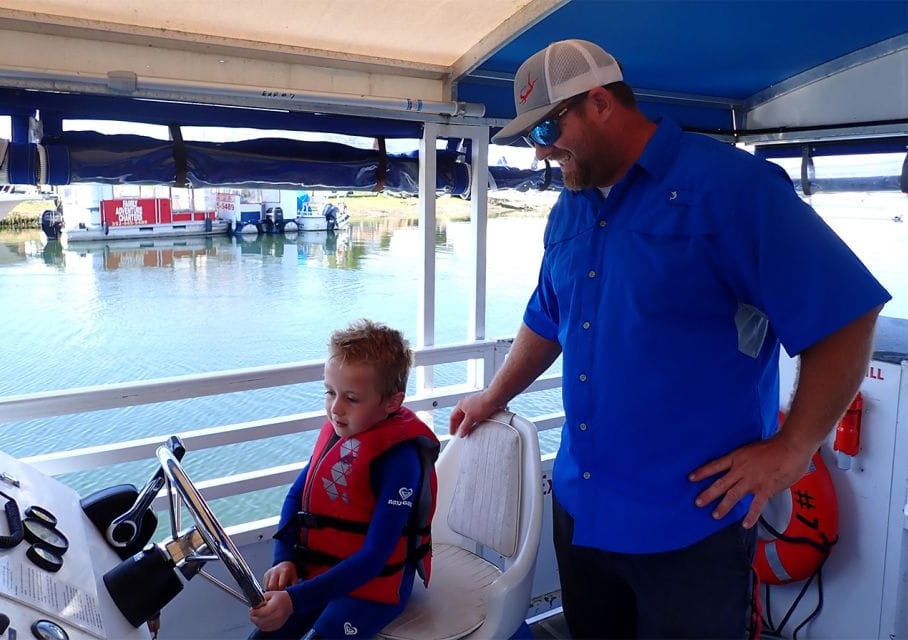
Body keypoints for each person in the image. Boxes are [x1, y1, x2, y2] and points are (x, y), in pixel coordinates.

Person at [450, 39, 890, 638]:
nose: (543, 152)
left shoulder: (735, 189)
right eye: (532, 138)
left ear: (601, 103)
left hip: (691, 525)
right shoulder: (569, 208)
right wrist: (494, 397)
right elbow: (548, 315)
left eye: (547, 129)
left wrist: (791, 449)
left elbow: (845, 315)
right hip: (582, 509)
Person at [250, 319, 439, 639]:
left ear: (392, 401)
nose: (335, 408)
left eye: (351, 398)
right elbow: (296, 497)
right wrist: (285, 558)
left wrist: (295, 600)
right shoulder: (341, 434)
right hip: (322, 574)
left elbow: (374, 558)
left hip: (371, 590)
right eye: (330, 392)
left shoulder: (399, 461)